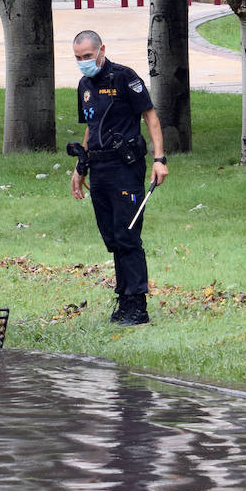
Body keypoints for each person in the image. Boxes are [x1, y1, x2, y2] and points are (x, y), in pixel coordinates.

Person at [68, 30, 169, 326]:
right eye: (78, 58)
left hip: (126, 169)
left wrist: (159, 159)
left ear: (101, 50)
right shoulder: (84, 85)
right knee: (112, 237)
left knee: (128, 236)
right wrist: (80, 166)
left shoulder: (125, 78)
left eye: (87, 56)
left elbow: (150, 117)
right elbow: (91, 126)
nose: (83, 62)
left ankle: (137, 305)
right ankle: (123, 300)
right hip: (98, 170)